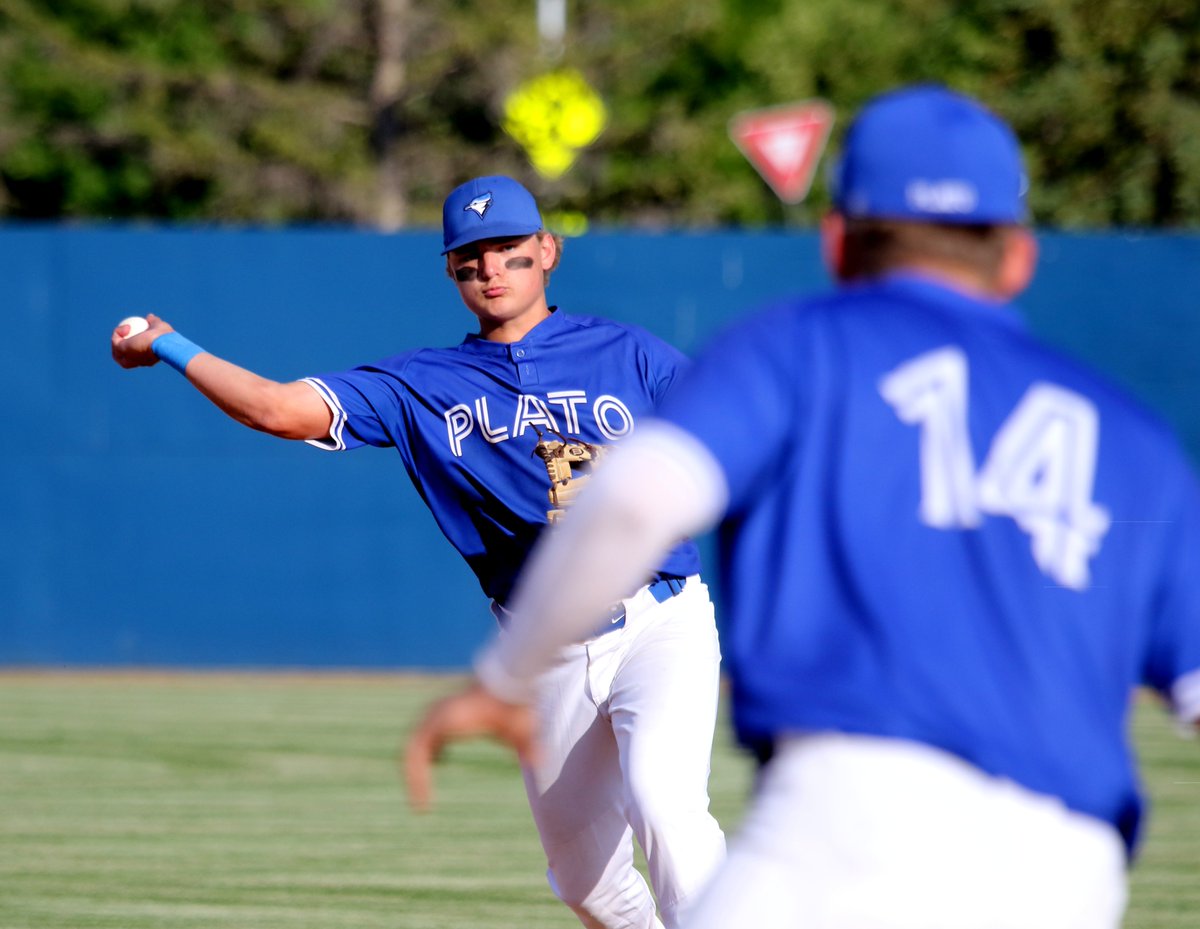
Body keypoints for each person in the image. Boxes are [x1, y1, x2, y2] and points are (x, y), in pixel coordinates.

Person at [404, 86, 1200, 929]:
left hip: (840, 823)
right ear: (1018, 258)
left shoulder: (797, 354)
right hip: (1064, 872)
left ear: (836, 244)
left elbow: (634, 499)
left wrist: (504, 676)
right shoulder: (1135, 446)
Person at [110, 175, 726, 929]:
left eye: (509, 249)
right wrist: (169, 344)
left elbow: (736, 435)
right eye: (471, 257)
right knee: (585, 884)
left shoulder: (630, 355)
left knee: (669, 812)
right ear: (450, 270)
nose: (492, 268)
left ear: (547, 250)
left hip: (660, 617)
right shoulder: (418, 385)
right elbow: (275, 408)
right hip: (543, 646)